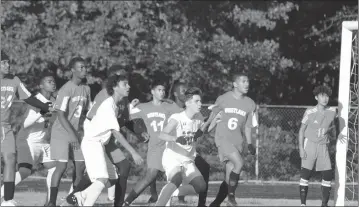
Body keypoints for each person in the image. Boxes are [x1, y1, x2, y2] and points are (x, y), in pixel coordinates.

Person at [65, 65, 144, 206]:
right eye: (123, 82)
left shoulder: (119, 101)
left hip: (102, 141)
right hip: (94, 141)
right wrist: (133, 152)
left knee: (107, 178)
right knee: (101, 178)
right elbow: (108, 127)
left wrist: (137, 128)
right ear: (114, 84)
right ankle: (76, 196)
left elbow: (123, 121)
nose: (128, 85)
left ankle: (77, 197)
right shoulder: (106, 100)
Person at [1, 50, 54, 206]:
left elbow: (28, 97)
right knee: (19, 167)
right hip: (16, 134)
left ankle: (7, 201)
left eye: (8, 61)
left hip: (5, 127)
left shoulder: (14, 80)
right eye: (3, 62)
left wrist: (45, 107)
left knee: (10, 160)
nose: (7, 64)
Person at [123, 79, 180, 206]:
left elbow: (184, 116)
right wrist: (139, 133)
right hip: (154, 146)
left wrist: (174, 104)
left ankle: (164, 199)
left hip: (169, 146)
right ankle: (127, 202)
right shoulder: (144, 107)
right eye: (159, 90)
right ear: (152, 91)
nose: (162, 92)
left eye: (164, 90)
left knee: (176, 175)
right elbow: (126, 119)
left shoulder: (169, 106)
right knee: (151, 175)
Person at [47, 57, 91, 206]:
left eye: (85, 67)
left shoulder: (86, 89)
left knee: (81, 165)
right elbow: (60, 114)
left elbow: (89, 112)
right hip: (61, 132)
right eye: (81, 68)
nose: (84, 70)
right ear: (73, 70)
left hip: (75, 133)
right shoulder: (66, 88)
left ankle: (73, 199)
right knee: (62, 166)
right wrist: (72, 135)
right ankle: (51, 202)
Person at [208, 72, 257, 206]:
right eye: (243, 81)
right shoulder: (223, 98)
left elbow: (248, 126)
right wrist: (204, 129)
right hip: (223, 139)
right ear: (235, 84)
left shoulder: (250, 103)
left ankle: (216, 203)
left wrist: (250, 143)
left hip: (238, 142)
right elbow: (212, 117)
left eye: (248, 81)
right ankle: (231, 198)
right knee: (239, 163)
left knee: (229, 178)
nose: (247, 84)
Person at [155, 87, 207, 206]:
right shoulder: (177, 118)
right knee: (176, 178)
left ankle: (169, 192)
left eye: (200, 101)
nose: (200, 104)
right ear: (188, 103)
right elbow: (161, 134)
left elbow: (205, 130)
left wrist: (216, 118)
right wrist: (176, 138)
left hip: (188, 160)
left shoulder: (198, 119)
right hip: (173, 157)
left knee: (201, 187)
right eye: (197, 101)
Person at [171, 81, 211, 207]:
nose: (185, 93)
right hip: (174, 152)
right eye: (182, 91)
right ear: (176, 94)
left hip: (189, 152)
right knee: (173, 177)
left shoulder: (195, 112)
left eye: (186, 90)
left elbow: (200, 132)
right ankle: (165, 195)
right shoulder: (171, 109)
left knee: (204, 169)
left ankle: (201, 203)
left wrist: (213, 118)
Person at [298, 85, 337, 207]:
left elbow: (335, 126)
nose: (325, 98)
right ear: (316, 97)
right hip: (309, 144)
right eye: (322, 96)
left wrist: (336, 135)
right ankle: (303, 204)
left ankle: (324, 204)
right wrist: (300, 148)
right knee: (306, 174)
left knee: (328, 174)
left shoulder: (332, 111)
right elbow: (301, 130)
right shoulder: (310, 112)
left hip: (323, 146)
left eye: (327, 96)